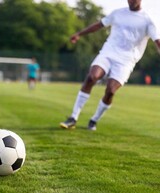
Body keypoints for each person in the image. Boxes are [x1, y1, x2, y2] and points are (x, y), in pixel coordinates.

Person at [60, 0, 160, 131]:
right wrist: (79, 34)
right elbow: (99, 25)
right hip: (108, 53)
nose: (131, 1)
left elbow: (157, 41)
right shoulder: (118, 13)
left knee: (110, 91)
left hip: (126, 60)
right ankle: (73, 118)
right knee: (92, 77)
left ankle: (94, 120)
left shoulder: (148, 20)